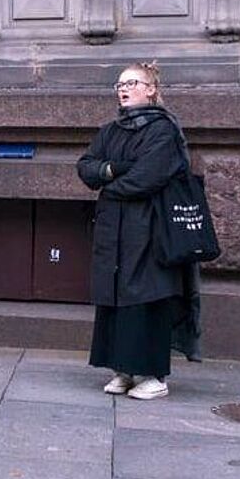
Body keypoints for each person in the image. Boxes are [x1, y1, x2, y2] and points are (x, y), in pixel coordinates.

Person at [76, 62, 199, 400]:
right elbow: (86, 167)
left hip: (150, 229)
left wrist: (109, 183)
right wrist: (113, 168)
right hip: (114, 229)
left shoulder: (163, 130)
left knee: (146, 298)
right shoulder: (110, 130)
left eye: (131, 83)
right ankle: (123, 370)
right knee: (114, 296)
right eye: (119, 85)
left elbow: (148, 177)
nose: (123, 89)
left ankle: (153, 376)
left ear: (151, 90)